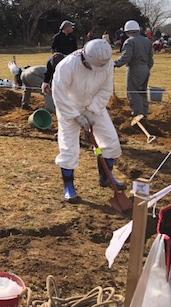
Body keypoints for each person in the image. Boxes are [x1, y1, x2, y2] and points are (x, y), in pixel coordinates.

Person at [52, 39, 125, 203]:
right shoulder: (67, 66)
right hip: (69, 108)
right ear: (85, 57)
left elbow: (106, 90)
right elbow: (59, 94)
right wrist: (75, 115)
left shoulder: (106, 64)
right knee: (69, 149)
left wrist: (92, 111)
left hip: (95, 106)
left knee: (111, 141)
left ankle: (106, 177)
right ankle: (69, 187)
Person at [113, 20, 154, 121]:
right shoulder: (147, 41)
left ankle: (137, 116)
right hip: (145, 69)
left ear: (127, 32)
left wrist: (114, 64)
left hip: (134, 68)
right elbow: (151, 59)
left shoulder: (129, 41)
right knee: (142, 92)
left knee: (133, 92)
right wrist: (147, 68)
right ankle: (144, 114)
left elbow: (126, 58)